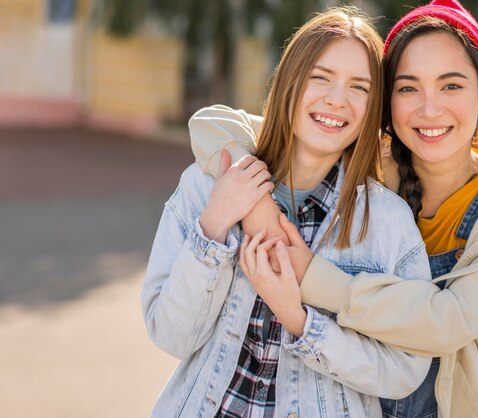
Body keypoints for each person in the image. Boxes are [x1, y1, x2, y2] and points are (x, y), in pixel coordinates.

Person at [187, 1, 478, 417]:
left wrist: (311, 275)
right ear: (387, 103)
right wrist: (259, 209)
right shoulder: (367, 159)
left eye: (451, 86)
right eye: (408, 88)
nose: (429, 108)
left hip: (440, 403)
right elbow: (213, 124)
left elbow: (447, 323)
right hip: (344, 392)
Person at [142, 6, 434, 418]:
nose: (337, 99)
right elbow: (170, 334)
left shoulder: (387, 223)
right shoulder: (209, 183)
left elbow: (405, 370)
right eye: (321, 77)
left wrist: (300, 322)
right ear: (290, 81)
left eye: (359, 87)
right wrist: (214, 227)